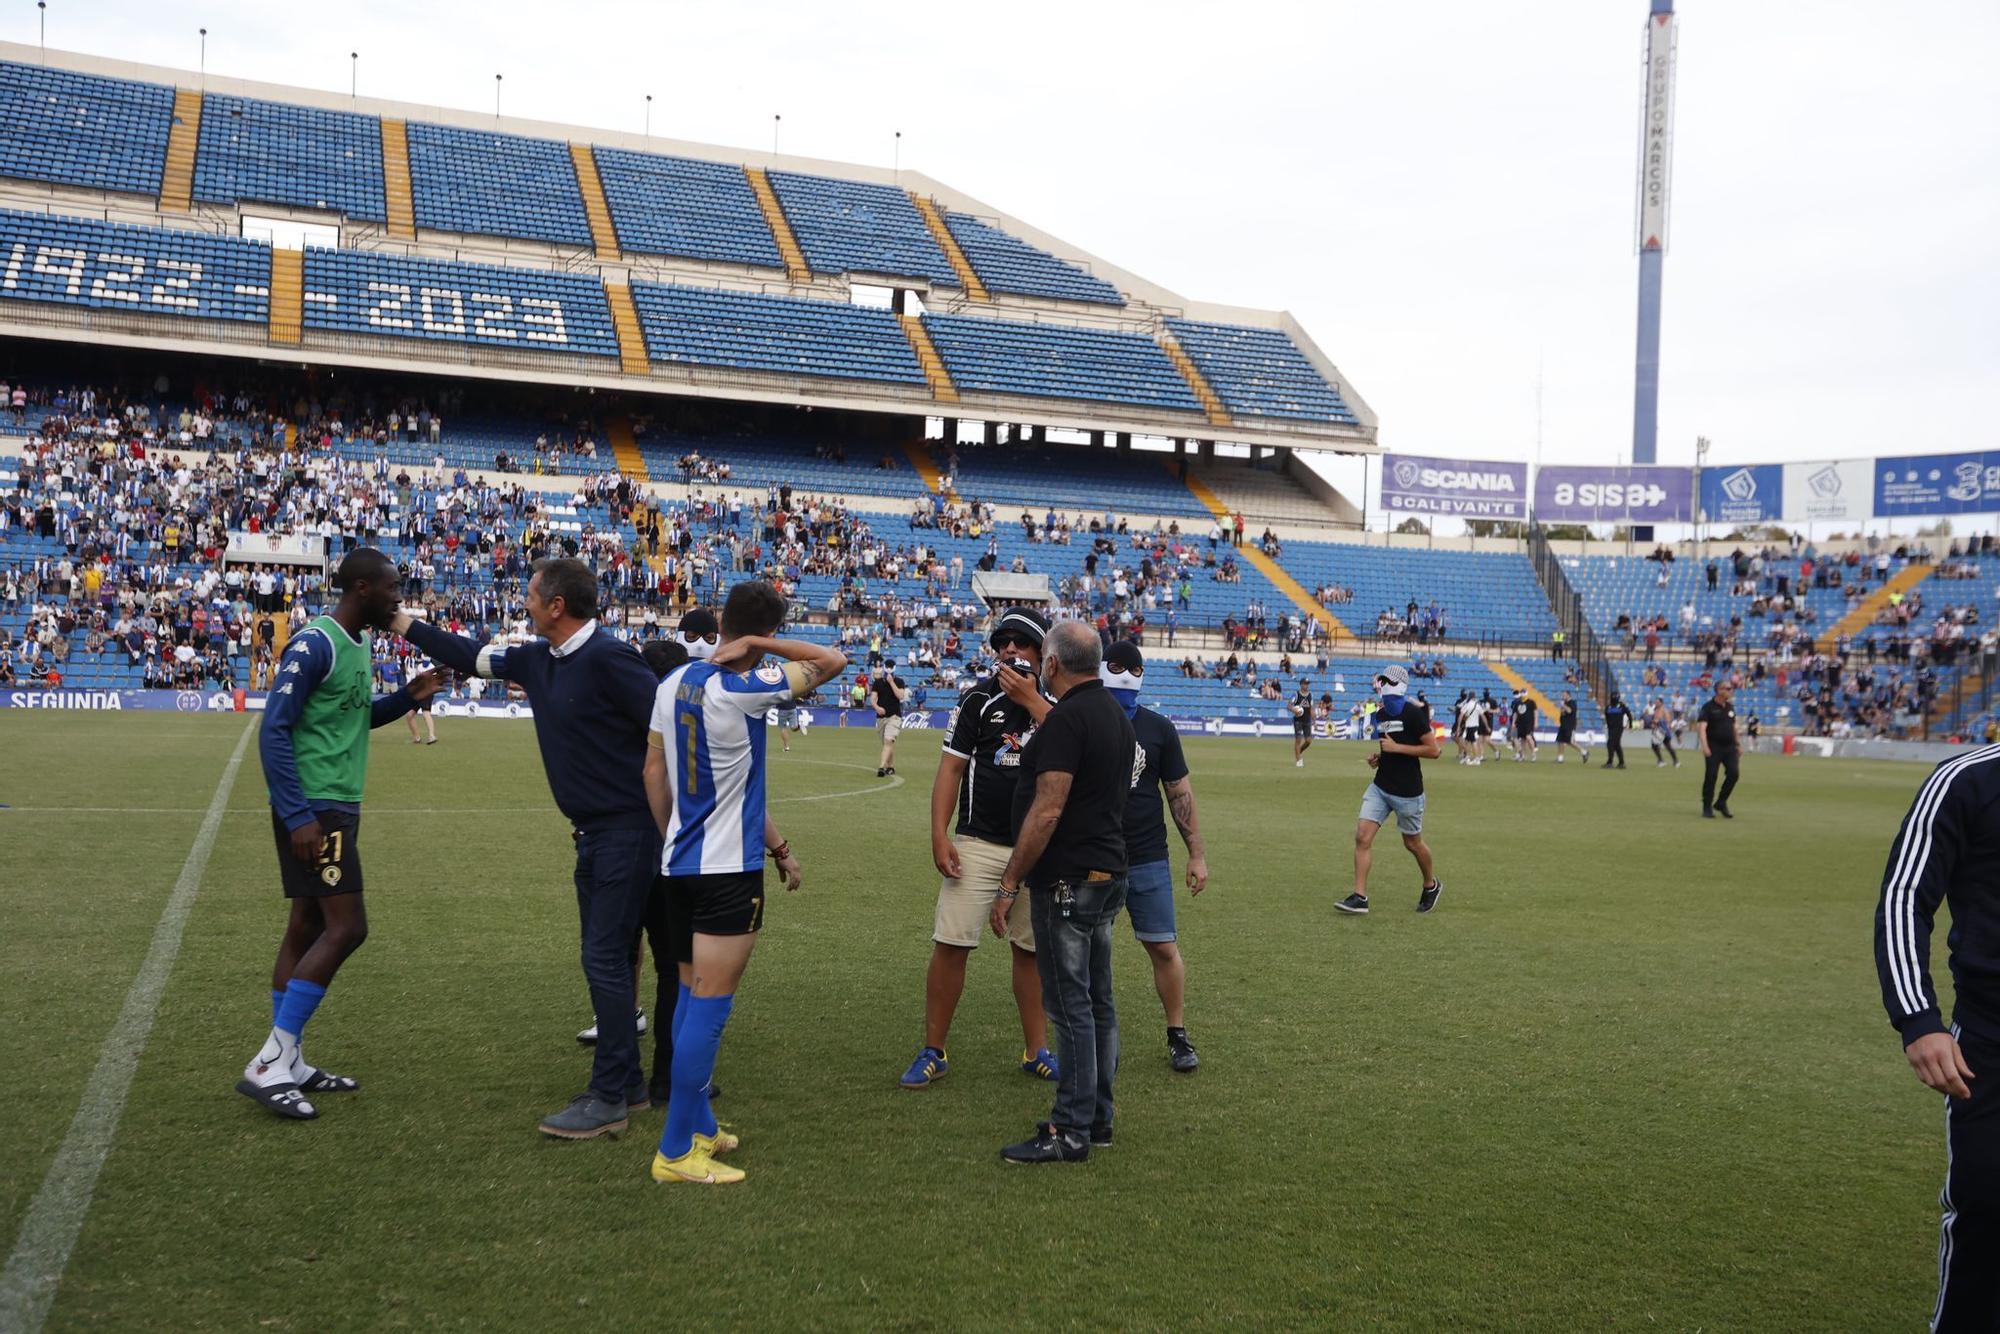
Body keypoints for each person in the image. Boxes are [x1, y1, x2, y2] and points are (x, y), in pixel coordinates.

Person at [395, 558, 663, 1141]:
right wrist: (400, 620)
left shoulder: (613, 658)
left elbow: (668, 730)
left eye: (531, 595)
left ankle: (610, 1094)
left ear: (557, 605)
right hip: (593, 833)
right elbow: (469, 656)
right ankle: (631, 1083)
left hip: (630, 830)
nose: (525, 603)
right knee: (606, 957)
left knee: (605, 957)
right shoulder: (539, 660)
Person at [646, 581, 845, 1185]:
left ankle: (699, 1123)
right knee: (710, 1007)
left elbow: (653, 770)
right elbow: (832, 661)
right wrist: (759, 642)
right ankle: (676, 1151)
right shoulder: (744, 688)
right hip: (729, 872)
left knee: (686, 996)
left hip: (678, 864)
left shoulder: (672, 683)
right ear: (760, 632)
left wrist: (673, 836)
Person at [235, 548, 442, 1121]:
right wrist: (298, 814)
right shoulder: (315, 642)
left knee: (307, 924)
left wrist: (406, 698)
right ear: (362, 589)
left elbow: (354, 715)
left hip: (336, 804)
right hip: (315, 809)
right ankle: (270, 1061)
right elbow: (274, 729)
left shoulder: (358, 642)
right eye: (393, 587)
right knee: (348, 927)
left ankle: (290, 1059)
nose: (400, 596)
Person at [990, 620, 1136, 1164]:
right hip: (1105, 875)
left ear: (1051, 665)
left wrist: (1008, 883)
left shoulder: (1066, 720)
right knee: (1099, 1002)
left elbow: (1048, 808)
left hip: (1068, 880)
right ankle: (1096, 1118)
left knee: (1071, 1007)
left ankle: (1070, 1129)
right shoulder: (1115, 718)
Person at [900, 608, 1059, 1090]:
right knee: (951, 945)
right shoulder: (975, 702)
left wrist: (1032, 701)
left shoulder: (1058, 702)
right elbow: (950, 770)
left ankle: (1037, 1050)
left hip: (1037, 850)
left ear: (1042, 654)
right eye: (1002, 643)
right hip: (977, 842)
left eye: (1022, 643)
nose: (1010, 650)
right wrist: (939, 833)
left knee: (1030, 953)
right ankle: (934, 1048)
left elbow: (1075, 747)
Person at [1871, 743, 2000, 1329]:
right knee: (1986, 1207)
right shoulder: (1967, 779)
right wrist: (1918, 1019)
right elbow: (1905, 895)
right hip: (1991, 1041)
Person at [1099, 641, 1209, 1071]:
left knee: (1163, 947)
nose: (1127, 675)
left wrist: (1196, 855)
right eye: (1118, 666)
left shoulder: (1159, 728)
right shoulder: (1081, 719)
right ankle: (1095, 1034)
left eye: (1135, 668)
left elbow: (1179, 793)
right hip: (1094, 856)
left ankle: (1177, 1034)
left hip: (1147, 857)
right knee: (1092, 950)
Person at [1336, 665, 1443, 916]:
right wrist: (1380, 758)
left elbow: (1434, 751)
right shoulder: (1381, 714)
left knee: (1413, 843)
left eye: (1384, 681)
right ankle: (1360, 897)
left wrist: (1397, 750)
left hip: (1408, 791)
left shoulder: (1414, 714)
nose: (1380, 685)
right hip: (1381, 786)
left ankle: (1431, 885)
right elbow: (1390, 747)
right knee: (1362, 836)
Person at [1695, 679, 1741, 819]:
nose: (1730, 691)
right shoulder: (1708, 707)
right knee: (1711, 776)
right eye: (1727, 688)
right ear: (1719, 690)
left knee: (1734, 773)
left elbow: (1734, 728)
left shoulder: (1730, 708)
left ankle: (1721, 802)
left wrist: (1738, 744)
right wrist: (1705, 746)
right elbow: (1702, 728)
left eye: (1731, 688)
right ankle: (1707, 806)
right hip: (1713, 747)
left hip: (1730, 747)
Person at [872, 663, 908, 777]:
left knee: (888, 740)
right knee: (887, 744)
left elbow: (901, 696)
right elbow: (873, 699)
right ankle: (890, 766)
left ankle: (881, 767)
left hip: (894, 716)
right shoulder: (877, 682)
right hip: (881, 718)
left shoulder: (899, 681)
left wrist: (891, 682)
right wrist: (877, 708)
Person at [1554, 691, 1589, 764]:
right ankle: (1560, 758)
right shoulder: (1565, 703)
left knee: (1570, 741)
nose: (1563, 696)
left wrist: (1563, 705)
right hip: (1563, 725)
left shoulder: (1572, 703)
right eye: (1562, 695)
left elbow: (1569, 711)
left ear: (1568, 695)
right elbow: (1563, 712)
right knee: (1560, 741)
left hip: (1570, 725)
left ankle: (1584, 752)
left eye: (1564, 695)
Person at [1646, 696, 1681, 768]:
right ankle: (1671, 761)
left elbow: (1661, 720)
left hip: (1663, 731)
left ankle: (1667, 761)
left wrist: (1653, 723)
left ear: (1661, 703)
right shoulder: (1657, 709)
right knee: (1660, 746)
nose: (1656, 703)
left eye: (1657, 702)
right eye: (1655, 702)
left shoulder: (1662, 710)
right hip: (1660, 730)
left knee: (1661, 746)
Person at [1601, 693, 1632, 770]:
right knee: (1616, 745)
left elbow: (1629, 715)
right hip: (1611, 728)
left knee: (1610, 744)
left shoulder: (1621, 706)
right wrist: (1608, 725)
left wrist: (1630, 725)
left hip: (1618, 728)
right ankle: (1621, 763)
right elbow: (1606, 716)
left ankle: (1610, 762)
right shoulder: (1609, 707)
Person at [1453, 689, 1482, 765]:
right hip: (1470, 725)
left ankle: (1476, 758)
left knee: (1472, 741)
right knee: (1467, 741)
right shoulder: (1474, 704)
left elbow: (1461, 714)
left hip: (1470, 725)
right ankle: (1467, 757)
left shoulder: (1467, 704)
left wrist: (1458, 726)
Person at [1290, 678, 1315, 767]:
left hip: (1307, 720)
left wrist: (1314, 721)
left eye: (1307, 684)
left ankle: (1299, 750)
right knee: (1298, 740)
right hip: (1298, 720)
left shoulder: (1310, 695)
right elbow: (1289, 705)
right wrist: (1294, 710)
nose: (1306, 685)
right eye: (1305, 684)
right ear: (1301, 684)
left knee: (1308, 741)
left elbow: (1312, 708)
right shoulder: (1296, 694)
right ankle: (1299, 760)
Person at [1510, 689, 1539, 762]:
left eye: (1524, 693)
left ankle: (1533, 754)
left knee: (1528, 737)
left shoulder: (1531, 702)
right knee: (1522, 740)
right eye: (1521, 693)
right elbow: (1516, 713)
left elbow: (1535, 712)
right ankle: (1523, 755)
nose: (1522, 694)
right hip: (1520, 723)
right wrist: (1513, 722)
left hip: (1529, 723)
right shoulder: (1518, 702)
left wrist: (1536, 722)